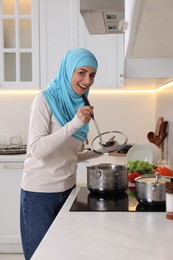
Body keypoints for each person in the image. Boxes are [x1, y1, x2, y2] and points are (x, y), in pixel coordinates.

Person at [20, 48, 104, 260]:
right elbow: (37, 149)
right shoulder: (45, 99)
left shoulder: (80, 103)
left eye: (92, 75)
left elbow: (68, 155)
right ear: (68, 71)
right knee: (40, 256)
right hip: (39, 195)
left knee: (63, 255)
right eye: (82, 72)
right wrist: (74, 123)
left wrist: (97, 152)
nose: (87, 80)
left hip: (67, 191)